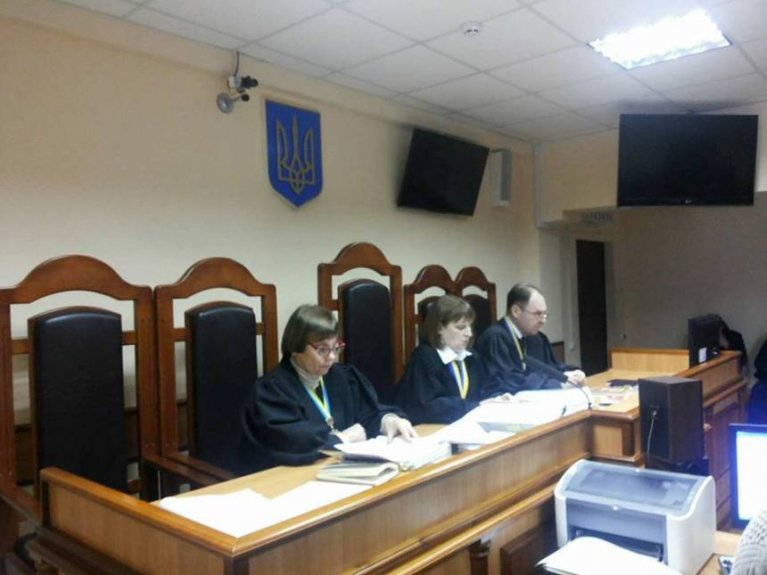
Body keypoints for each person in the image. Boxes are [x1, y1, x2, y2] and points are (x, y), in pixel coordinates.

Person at [239, 304, 416, 472]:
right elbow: (288, 441)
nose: (331, 357)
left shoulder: (344, 378)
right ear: (295, 347)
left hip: (347, 473)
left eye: (335, 348)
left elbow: (368, 414)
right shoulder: (272, 390)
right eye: (322, 350)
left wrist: (387, 420)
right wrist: (339, 440)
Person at [394, 295, 501, 424]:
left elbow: (487, 386)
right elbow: (429, 407)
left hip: (465, 424)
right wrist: (474, 406)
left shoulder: (470, 356)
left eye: (470, 327)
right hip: (430, 429)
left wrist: (498, 397)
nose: (469, 334)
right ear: (439, 328)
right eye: (461, 327)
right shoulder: (424, 358)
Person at [476, 283, 586, 395]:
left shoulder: (537, 338)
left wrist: (573, 373)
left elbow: (552, 367)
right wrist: (558, 383)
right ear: (516, 311)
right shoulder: (496, 338)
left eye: (544, 315)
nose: (543, 321)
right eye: (538, 314)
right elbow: (510, 382)